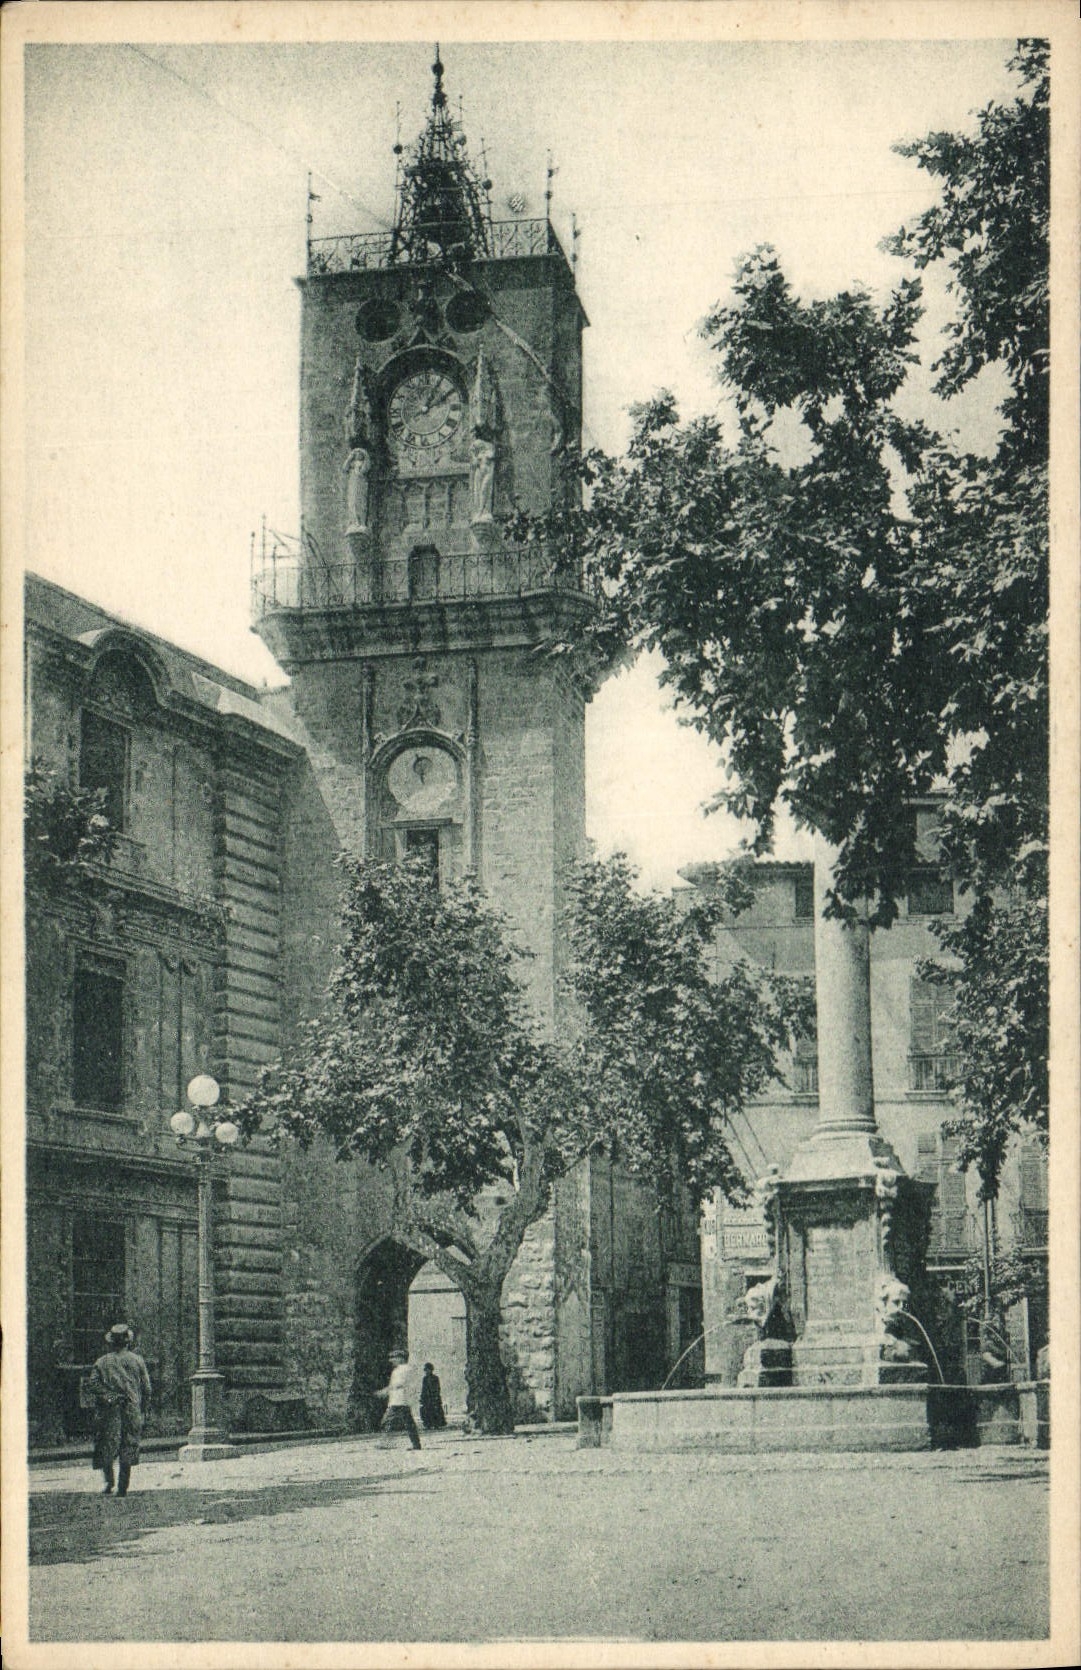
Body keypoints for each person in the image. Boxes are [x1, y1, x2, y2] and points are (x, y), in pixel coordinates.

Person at [88, 1323, 151, 1497]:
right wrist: (143, 1410)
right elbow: (147, 1388)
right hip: (131, 1408)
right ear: (128, 1342)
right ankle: (122, 1487)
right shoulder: (137, 1360)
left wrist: (109, 1396)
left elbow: (93, 1384)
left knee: (107, 1444)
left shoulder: (101, 1362)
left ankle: (108, 1483)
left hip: (109, 1410)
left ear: (111, 1342)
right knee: (128, 1445)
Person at [376, 1349, 422, 1450]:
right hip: (403, 1400)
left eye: (394, 1358)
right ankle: (416, 1444)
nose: (391, 1360)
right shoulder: (408, 1369)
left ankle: (384, 1443)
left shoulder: (401, 1370)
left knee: (387, 1421)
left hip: (398, 1400)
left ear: (401, 1358)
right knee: (409, 1423)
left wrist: (385, 1391)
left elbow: (397, 1384)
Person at [419, 1362, 447, 1431]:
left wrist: (436, 1395)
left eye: (428, 1370)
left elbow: (437, 1388)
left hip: (434, 1397)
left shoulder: (435, 1378)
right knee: (426, 1410)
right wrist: (422, 1397)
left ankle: (436, 1424)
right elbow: (423, 1388)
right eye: (425, 1370)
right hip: (426, 1398)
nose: (426, 1371)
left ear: (431, 1370)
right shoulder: (424, 1379)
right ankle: (428, 1424)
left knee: (435, 1411)